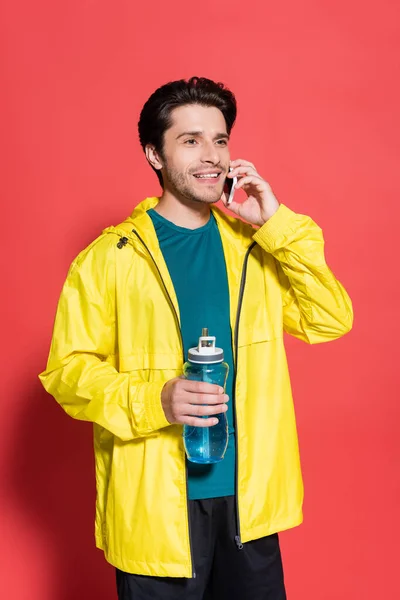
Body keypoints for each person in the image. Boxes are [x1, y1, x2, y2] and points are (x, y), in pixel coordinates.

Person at [39, 76, 353, 599]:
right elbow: (67, 372)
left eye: (221, 139)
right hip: (156, 511)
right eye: (191, 140)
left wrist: (274, 223)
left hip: (249, 508)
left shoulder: (255, 249)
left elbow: (330, 317)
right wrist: (155, 398)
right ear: (154, 154)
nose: (213, 156)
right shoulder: (109, 258)